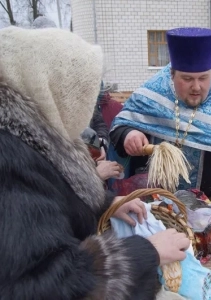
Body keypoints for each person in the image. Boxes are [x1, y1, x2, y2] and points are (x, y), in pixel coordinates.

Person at [0, 26, 190, 299]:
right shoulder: (8, 161)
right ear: (51, 89)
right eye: (81, 95)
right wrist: (148, 251)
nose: (85, 109)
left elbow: (53, 196)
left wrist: (105, 204)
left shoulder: (30, 137)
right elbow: (39, 284)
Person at [110, 27, 211, 204]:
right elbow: (120, 126)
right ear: (172, 74)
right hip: (157, 204)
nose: (196, 87)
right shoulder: (152, 97)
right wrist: (128, 134)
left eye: (203, 78)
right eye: (187, 79)